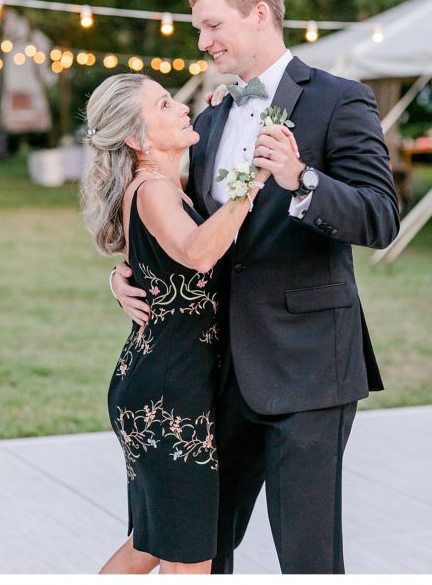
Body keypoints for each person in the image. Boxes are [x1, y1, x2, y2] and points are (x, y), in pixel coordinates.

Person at [111, 0, 400, 572]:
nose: (202, 40)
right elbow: (176, 222)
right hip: (214, 374)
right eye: (197, 29)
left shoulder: (338, 101)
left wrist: (302, 180)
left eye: (212, 25)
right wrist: (127, 273)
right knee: (203, 548)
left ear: (260, 13)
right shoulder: (209, 117)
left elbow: (381, 216)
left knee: (308, 557)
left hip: (310, 366)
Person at [81, 73, 269, 574]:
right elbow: (200, 252)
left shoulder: (167, 188)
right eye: (165, 104)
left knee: (153, 542)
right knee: (188, 555)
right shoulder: (150, 191)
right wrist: (252, 181)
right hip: (167, 392)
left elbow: (156, 266)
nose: (181, 108)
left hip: (165, 381)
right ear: (136, 137)